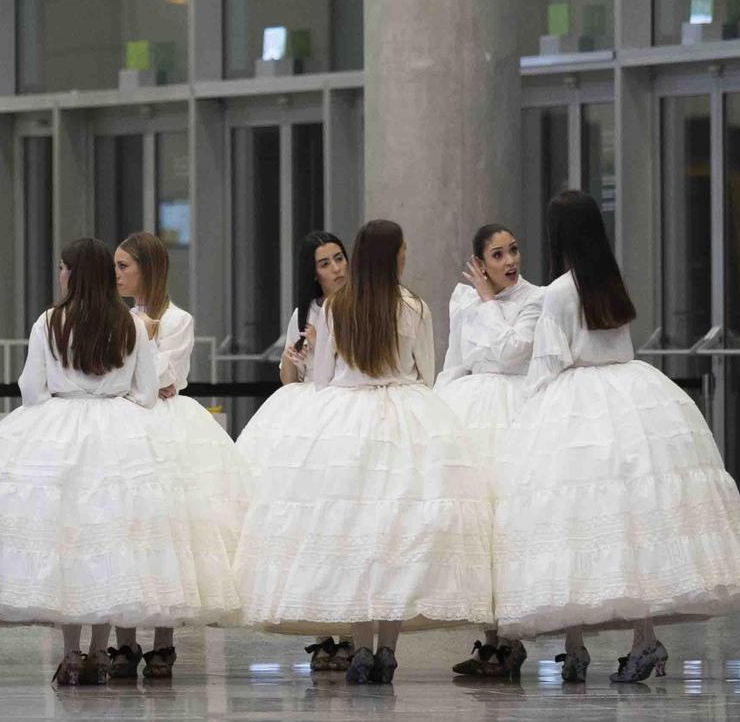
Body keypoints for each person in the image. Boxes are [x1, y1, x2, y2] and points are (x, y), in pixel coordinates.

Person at [0, 238, 238, 686]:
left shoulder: (50, 321)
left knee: (67, 540)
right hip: (123, 428)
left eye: (62, 267)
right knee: (113, 540)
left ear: (73, 273)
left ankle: (72, 653)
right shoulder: (131, 323)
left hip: (58, 424)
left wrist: (64, 395)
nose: (59, 274)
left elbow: (31, 388)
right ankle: (99, 650)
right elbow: (148, 392)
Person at [492, 191, 740, 683]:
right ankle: (644, 639)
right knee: (633, 526)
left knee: (572, 524)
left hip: (573, 402)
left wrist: (527, 417)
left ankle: (575, 645)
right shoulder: (609, 281)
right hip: (629, 394)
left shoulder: (557, 292)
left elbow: (550, 360)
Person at [232, 219, 491, 685]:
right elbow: (426, 373)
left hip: (345, 418)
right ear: (394, 255)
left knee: (351, 535)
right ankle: (388, 649)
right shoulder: (413, 306)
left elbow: (326, 374)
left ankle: (361, 646)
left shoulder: (334, 308)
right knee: (397, 534)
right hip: (406, 416)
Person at [108, 231, 253, 683]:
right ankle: (124, 637)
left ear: (147, 269)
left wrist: (144, 362)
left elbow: (164, 375)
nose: (116, 275)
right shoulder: (114, 316)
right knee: (125, 524)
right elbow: (117, 372)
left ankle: (164, 641)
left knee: (172, 524)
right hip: (126, 419)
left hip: (169, 424)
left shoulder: (177, 319)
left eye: (124, 266)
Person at [235, 230, 351, 672]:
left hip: (345, 410)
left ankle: (347, 622)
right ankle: (322, 633)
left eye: (339, 258)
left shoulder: (357, 306)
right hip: (308, 414)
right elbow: (289, 378)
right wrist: (295, 353)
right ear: (312, 272)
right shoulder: (307, 312)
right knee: (305, 518)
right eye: (325, 263)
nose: (337, 268)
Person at [435, 222, 544, 680]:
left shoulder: (535, 299)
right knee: (477, 521)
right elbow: (457, 358)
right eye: (497, 255)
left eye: (514, 251)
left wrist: (487, 303)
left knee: (510, 520)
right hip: (471, 410)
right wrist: (435, 408)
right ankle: (490, 638)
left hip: (516, 409)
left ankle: (512, 636)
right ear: (480, 263)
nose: (510, 262)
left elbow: (512, 354)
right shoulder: (461, 300)